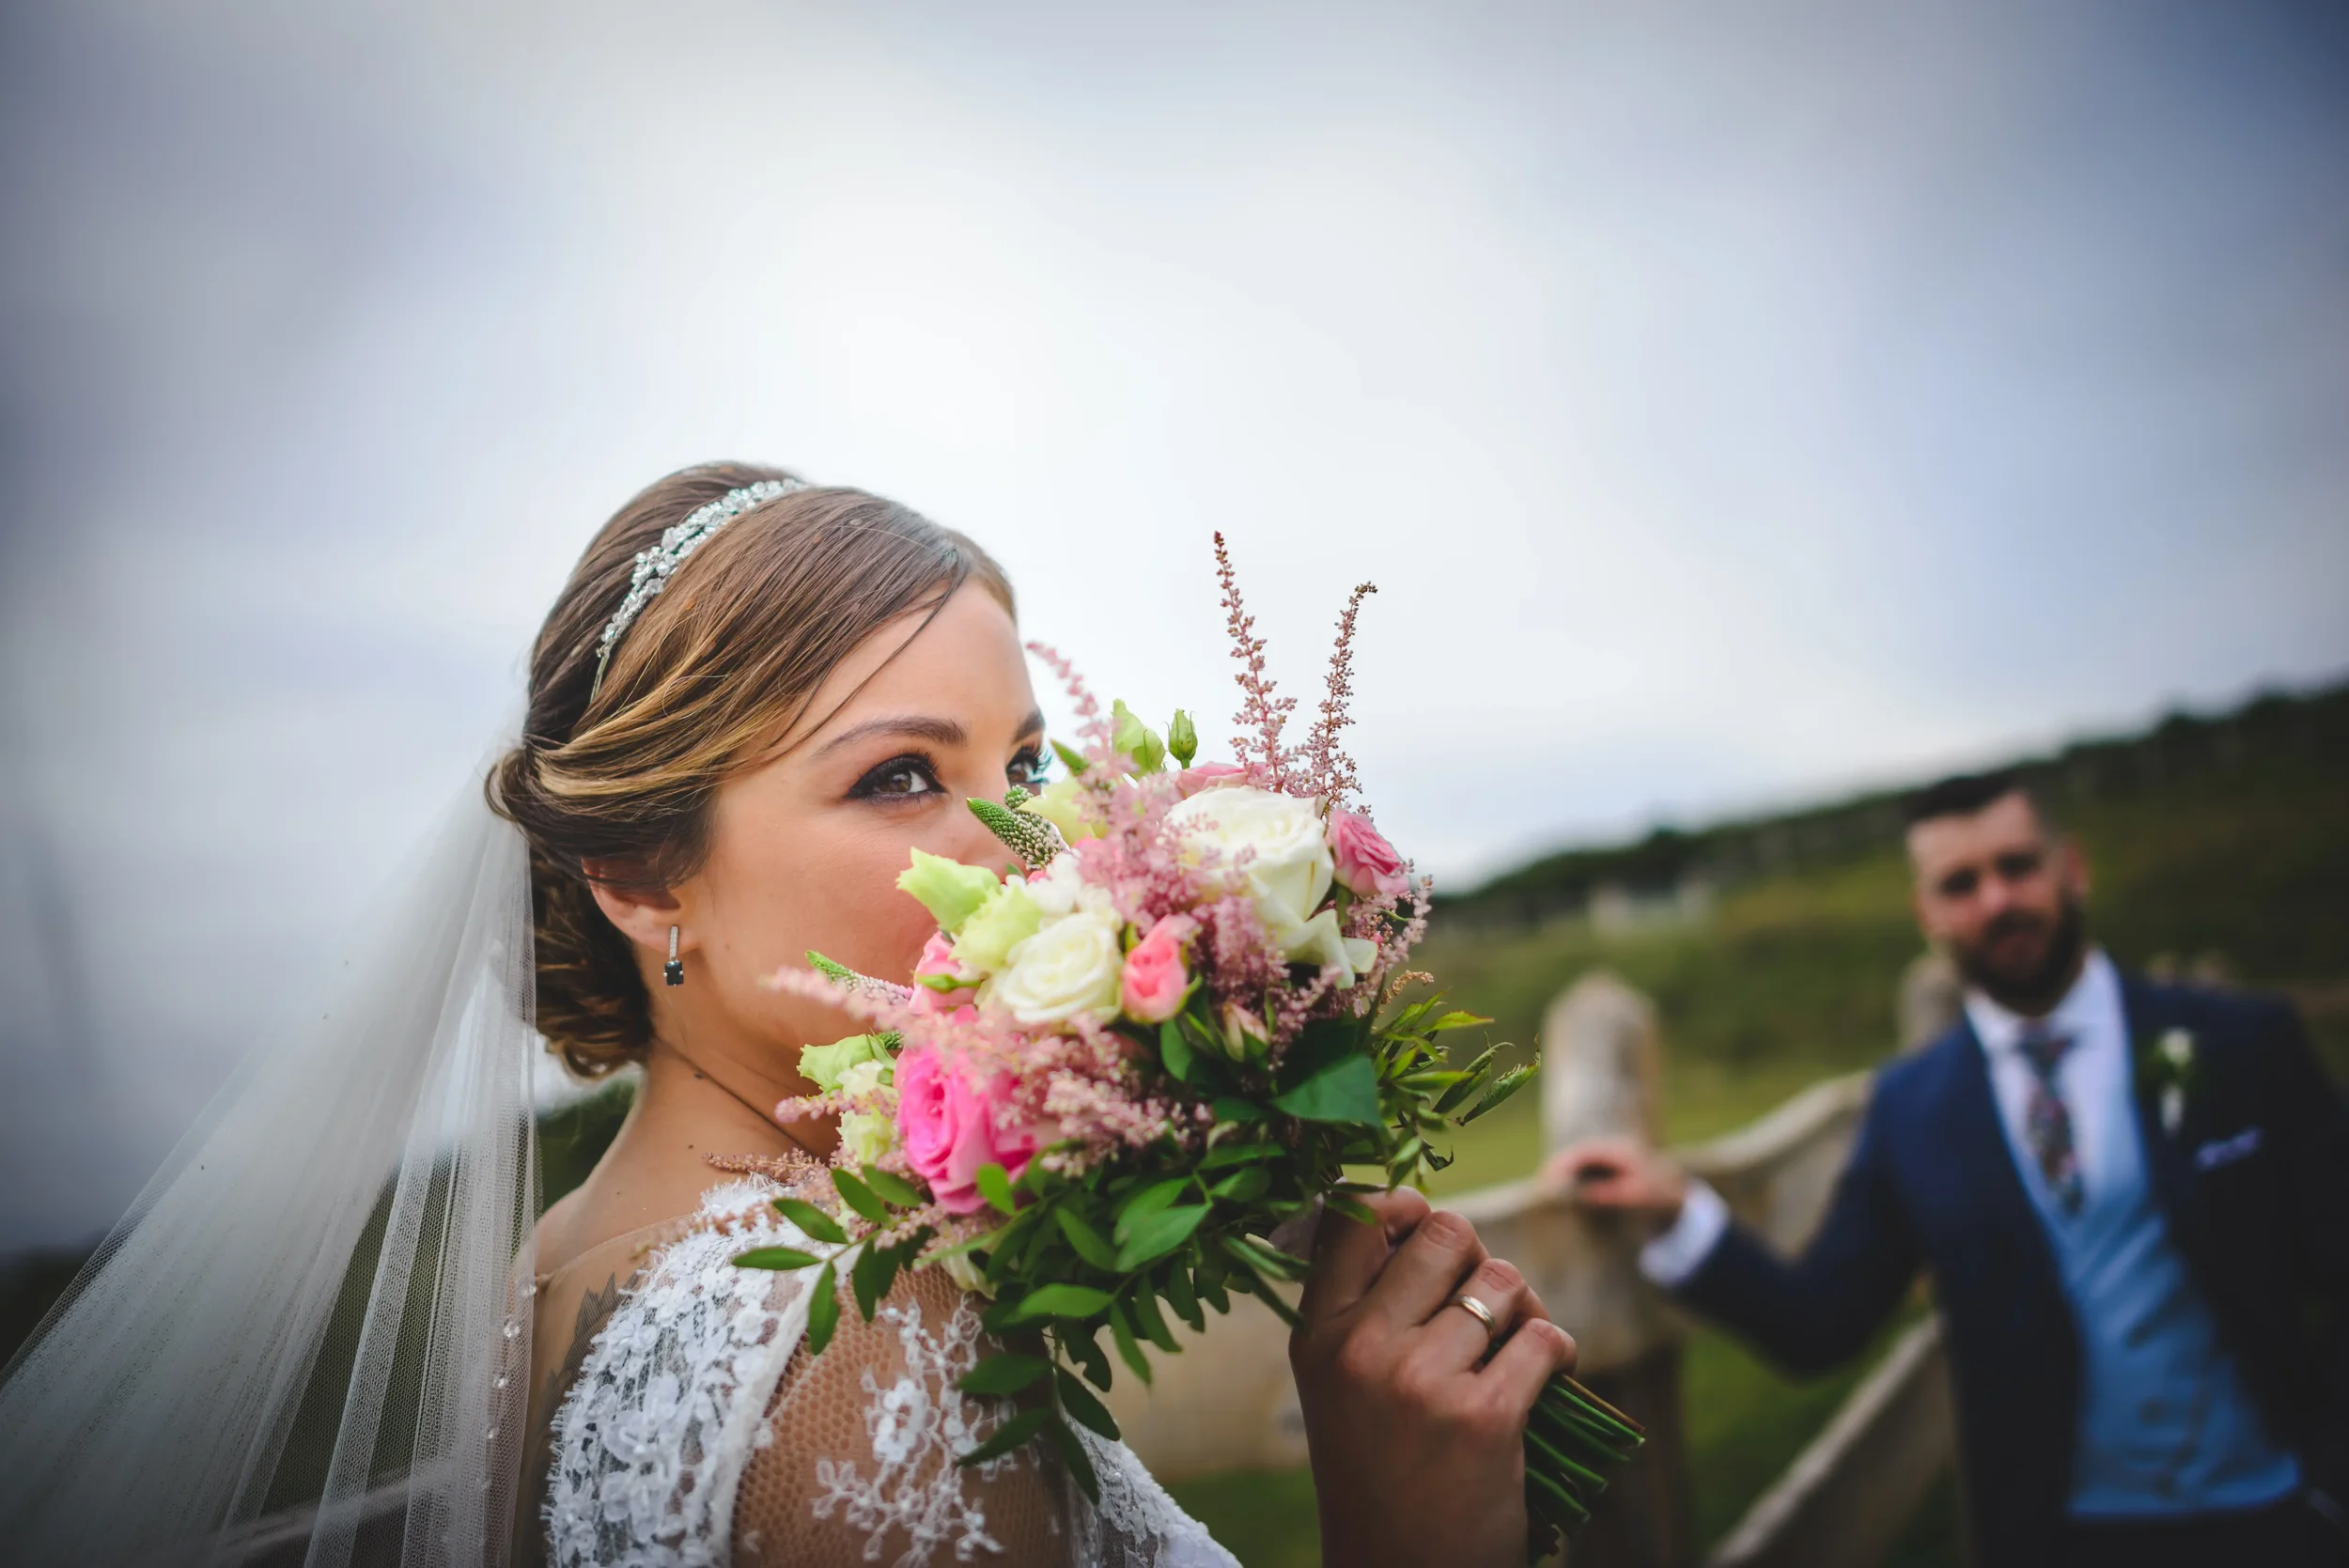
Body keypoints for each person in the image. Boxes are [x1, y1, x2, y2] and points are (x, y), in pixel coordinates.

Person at [0, 462, 1574, 1568]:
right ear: (636, 871)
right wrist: (1406, 1532)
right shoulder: (854, 1335)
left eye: (1024, 763)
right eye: (899, 774)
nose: (1038, 846)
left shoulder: (568, 1259)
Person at [1548, 771, 2349, 1568]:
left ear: (2072, 867)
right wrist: (1680, 1210)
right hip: (2060, 1536)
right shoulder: (1910, 1108)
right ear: (1925, 912)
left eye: (2017, 866)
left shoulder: (2236, 1041)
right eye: (1960, 883)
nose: (1996, 900)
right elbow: (1821, 1319)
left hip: (2274, 1510)